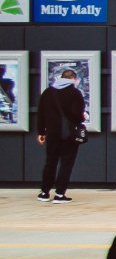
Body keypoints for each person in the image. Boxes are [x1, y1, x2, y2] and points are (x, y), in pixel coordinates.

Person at [36, 66, 86, 203]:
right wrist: (83, 117)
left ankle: (44, 193)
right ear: (73, 79)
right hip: (68, 135)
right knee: (66, 163)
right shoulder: (75, 93)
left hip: (52, 133)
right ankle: (59, 194)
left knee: (50, 162)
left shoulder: (47, 92)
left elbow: (41, 114)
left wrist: (41, 132)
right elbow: (77, 115)